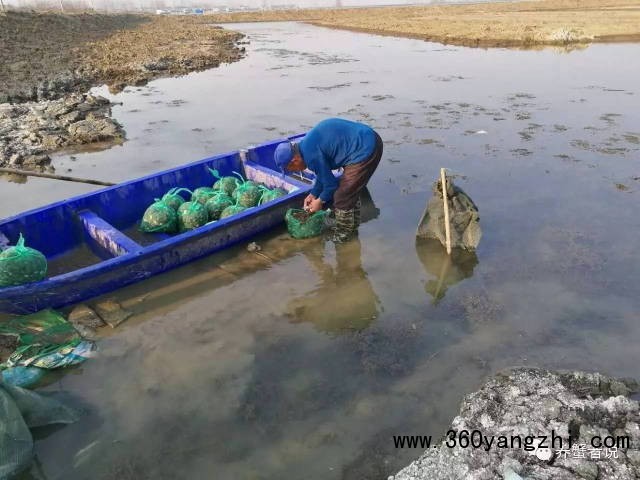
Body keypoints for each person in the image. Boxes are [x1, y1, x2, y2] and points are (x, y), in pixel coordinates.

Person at [273, 117, 383, 242]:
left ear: (295, 160)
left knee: (342, 196)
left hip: (365, 148)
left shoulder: (311, 156)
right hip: (367, 139)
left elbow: (330, 185)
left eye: (291, 169)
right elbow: (323, 175)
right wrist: (313, 194)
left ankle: (343, 236)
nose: (295, 171)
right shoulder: (306, 147)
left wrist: (320, 201)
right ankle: (351, 227)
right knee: (349, 193)